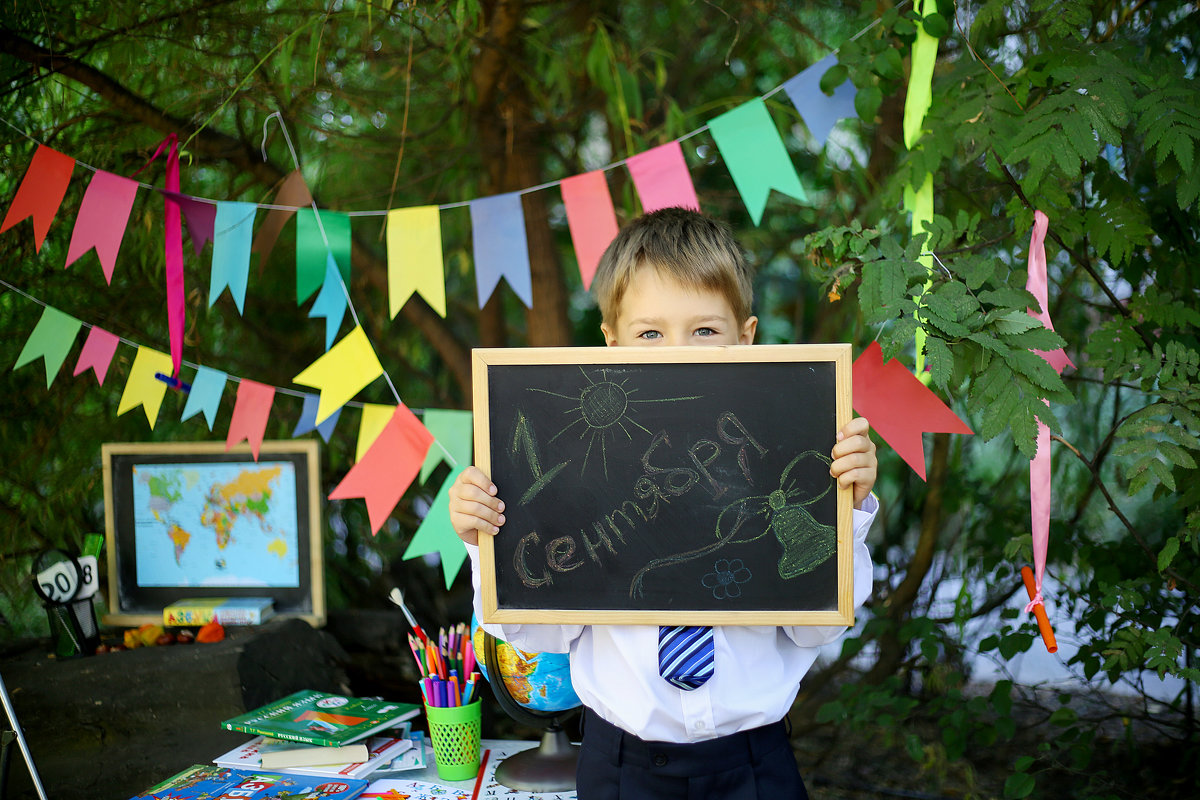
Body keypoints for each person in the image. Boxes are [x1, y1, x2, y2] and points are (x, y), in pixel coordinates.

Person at [449, 206, 878, 800]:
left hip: (755, 765)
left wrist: (849, 509)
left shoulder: (785, 443)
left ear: (746, 337)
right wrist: (484, 541)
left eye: (705, 331)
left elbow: (815, 630)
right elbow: (533, 633)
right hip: (618, 765)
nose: (680, 352)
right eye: (650, 333)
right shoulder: (572, 467)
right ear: (611, 343)